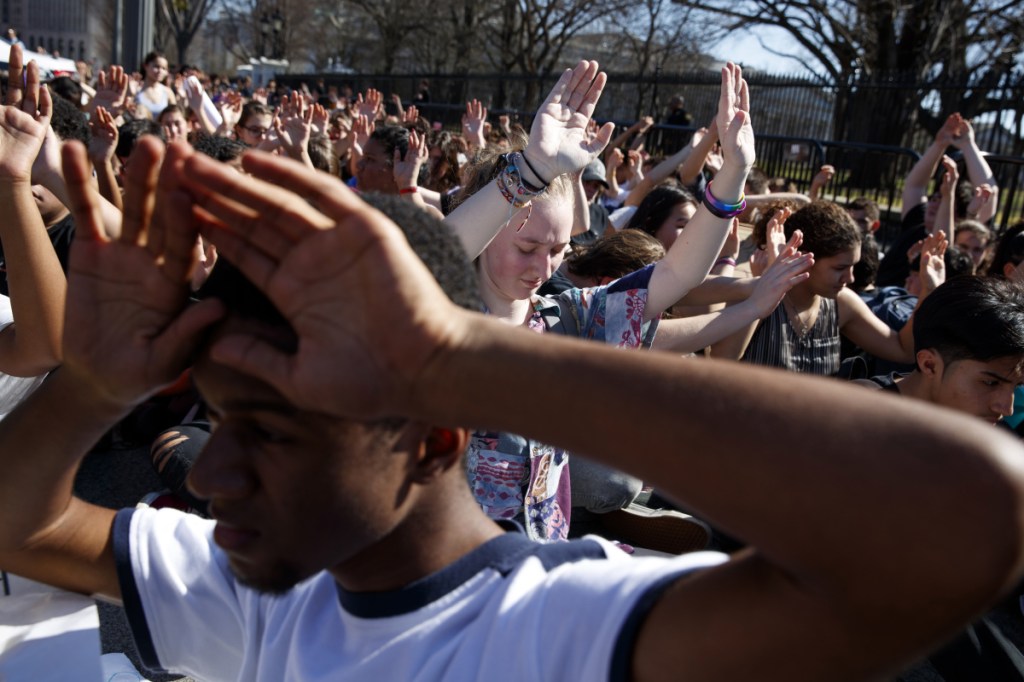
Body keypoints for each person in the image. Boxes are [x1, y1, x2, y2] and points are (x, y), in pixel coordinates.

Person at [1, 131, 1023, 682]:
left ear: (432, 434)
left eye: (269, 434)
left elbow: (970, 521)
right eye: (225, 425)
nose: (212, 473)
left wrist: (455, 354)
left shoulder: (573, 625)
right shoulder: (262, 590)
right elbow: (25, 522)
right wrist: (93, 386)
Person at [441, 60, 752, 540]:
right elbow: (425, 260)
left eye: (558, 250)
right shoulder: (436, 311)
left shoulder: (567, 318)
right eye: (527, 248)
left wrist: (732, 173)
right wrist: (531, 172)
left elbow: (677, 273)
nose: (544, 268)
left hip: (538, 568)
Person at [135, 52, 177, 119]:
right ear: (146, 66)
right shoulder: (135, 90)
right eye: (156, 66)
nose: (160, 71)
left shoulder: (168, 92)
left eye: (164, 68)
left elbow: (175, 115)